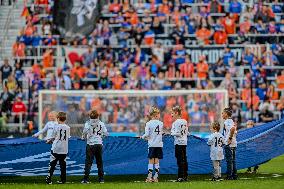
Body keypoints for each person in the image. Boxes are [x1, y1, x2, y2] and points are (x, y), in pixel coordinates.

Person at [81, 110, 108, 184]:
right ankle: (101, 179)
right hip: (99, 144)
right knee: (99, 162)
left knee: (88, 163)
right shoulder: (101, 123)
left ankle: (85, 179)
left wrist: (83, 137)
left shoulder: (87, 123)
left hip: (90, 144)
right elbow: (106, 134)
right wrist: (101, 136)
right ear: (98, 116)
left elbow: (84, 132)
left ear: (90, 116)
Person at [46, 112, 70, 184]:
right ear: (65, 119)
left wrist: (49, 141)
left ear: (58, 118)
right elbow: (67, 137)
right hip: (64, 149)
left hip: (56, 148)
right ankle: (63, 180)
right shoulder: (68, 127)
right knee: (63, 165)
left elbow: (53, 137)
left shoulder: (56, 127)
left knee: (52, 164)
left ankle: (49, 179)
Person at [141, 106, 164, 182]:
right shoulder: (161, 123)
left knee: (151, 160)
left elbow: (147, 134)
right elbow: (160, 133)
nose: (159, 115)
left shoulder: (148, 123)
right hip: (159, 144)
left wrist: (142, 137)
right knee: (157, 160)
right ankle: (156, 177)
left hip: (152, 144)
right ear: (156, 115)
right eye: (159, 114)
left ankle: (149, 177)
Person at [170, 106, 188, 182]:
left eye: (172, 113)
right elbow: (187, 132)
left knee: (180, 160)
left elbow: (177, 133)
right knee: (184, 159)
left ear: (177, 113)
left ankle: (180, 177)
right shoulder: (185, 121)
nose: (171, 115)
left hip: (178, 143)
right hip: (184, 142)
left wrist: (171, 133)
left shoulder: (176, 122)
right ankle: (185, 176)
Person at [222, 107, 237, 180]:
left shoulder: (227, 121)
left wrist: (230, 138)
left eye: (223, 113)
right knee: (233, 160)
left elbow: (232, 129)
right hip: (233, 144)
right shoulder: (231, 121)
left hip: (229, 144)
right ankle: (234, 175)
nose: (222, 114)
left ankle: (229, 176)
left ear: (226, 114)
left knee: (229, 161)